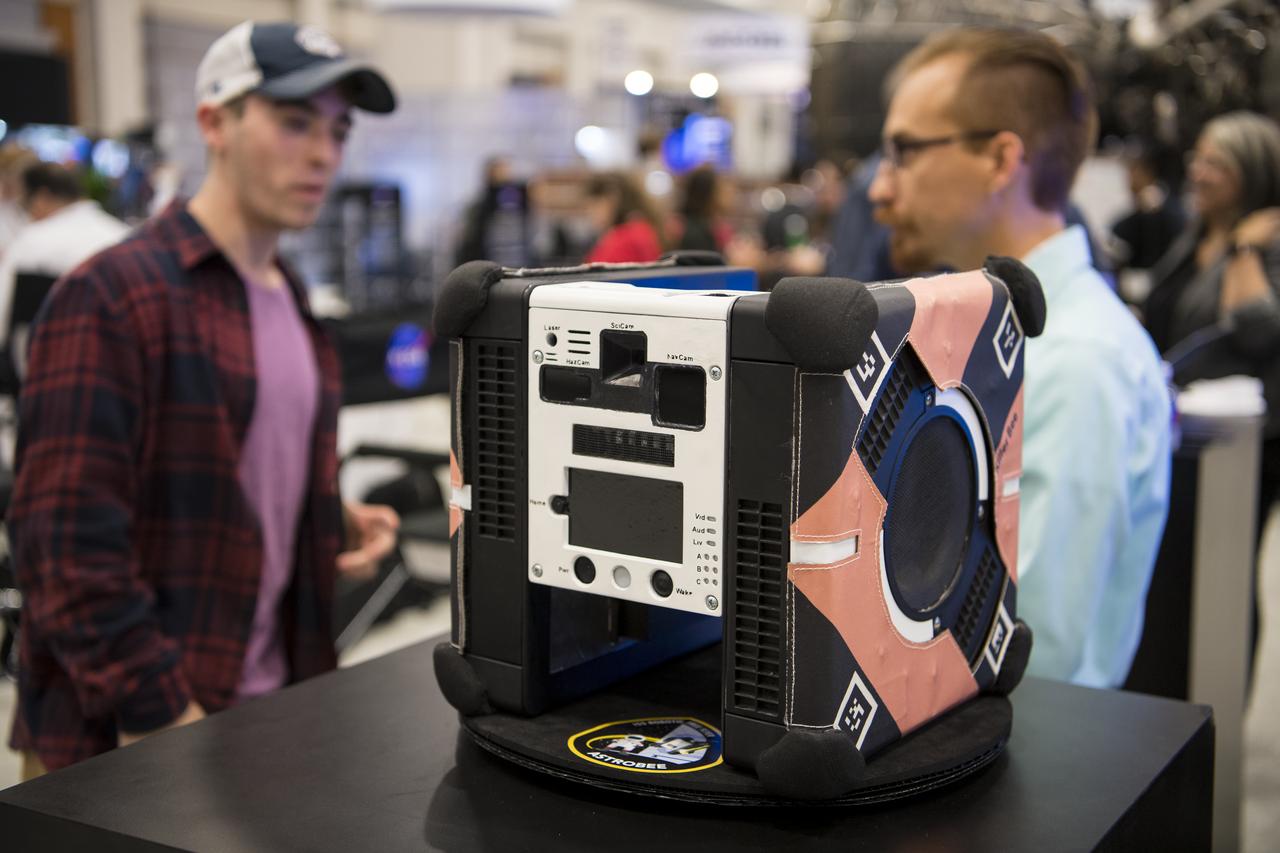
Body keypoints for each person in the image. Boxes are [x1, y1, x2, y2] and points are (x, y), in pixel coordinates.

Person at [7, 20, 401, 778]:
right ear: (213, 122)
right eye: (294, 122)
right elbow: (62, 543)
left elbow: (229, 477)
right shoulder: (113, 296)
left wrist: (321, 519)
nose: (323, 154)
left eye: (338, 129)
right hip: (123, 742)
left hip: (268, 713)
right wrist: (159, 712)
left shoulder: (292, 301)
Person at [868, 27, 1171, 688]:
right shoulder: (994, 343)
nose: (879, 191)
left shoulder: (1076, 362)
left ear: (1002, 160)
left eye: (905, 151)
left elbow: (1035, 646)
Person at [1143, 112, 1280, 660]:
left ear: (1252, 173)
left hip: (1242, 448)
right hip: (1181, 431)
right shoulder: (1193, 236)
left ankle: (1219, 684)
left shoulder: (1263, 243)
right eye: (1196, 158)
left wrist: (1246, 250)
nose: (1196, 172)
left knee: (1225, 570)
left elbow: (1256, 326)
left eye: (1214, 163)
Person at [0, 162, 130, 363]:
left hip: (50, 366)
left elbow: (2, 313)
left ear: (42, 198)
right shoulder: (124, 236)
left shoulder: (32, 241)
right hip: (120, 362)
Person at [583, 171, 666, 263]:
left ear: (612, 200)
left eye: (596, 206)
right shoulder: (642, 228)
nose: (591, 214)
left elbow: (599, 272)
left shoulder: (623, 238)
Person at [676, 165, 734, 254]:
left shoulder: (709, 226)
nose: (729, 194)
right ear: (709, 195)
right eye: (722, 190)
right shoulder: (696, 234)